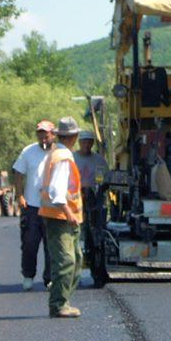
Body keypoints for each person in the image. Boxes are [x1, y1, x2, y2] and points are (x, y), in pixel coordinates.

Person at [39, 117, 83, 318]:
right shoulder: (63, 157)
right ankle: (58, 304)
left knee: (76, 259)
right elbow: (57, 192)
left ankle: (63, 300)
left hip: (61, 216)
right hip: (60, 217)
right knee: (66, 260)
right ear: (75, 137)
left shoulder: (55, 154)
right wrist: (69, 213)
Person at [12, 120, 55, 291]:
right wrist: (20, 195)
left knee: (51, 245)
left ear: (53, 135)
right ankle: (28, 275)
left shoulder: (59, 152)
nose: (43, 139)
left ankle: (50, 279)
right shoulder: (28, 152)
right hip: (31, 206)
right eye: (40, 136)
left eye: (46, 136)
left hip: (52, 206)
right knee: (29, 243)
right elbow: (18, 173)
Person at [73, 130, 109, 278]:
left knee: (96, 235)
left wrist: (96, 189)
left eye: (89, 142)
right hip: (75, 203)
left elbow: (104, 181)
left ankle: (96, 266)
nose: (87, 144)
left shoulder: (99, 161)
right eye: (84, 141)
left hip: (94, 204)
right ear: (79, 142)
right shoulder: (72, 158)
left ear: (93, 143)